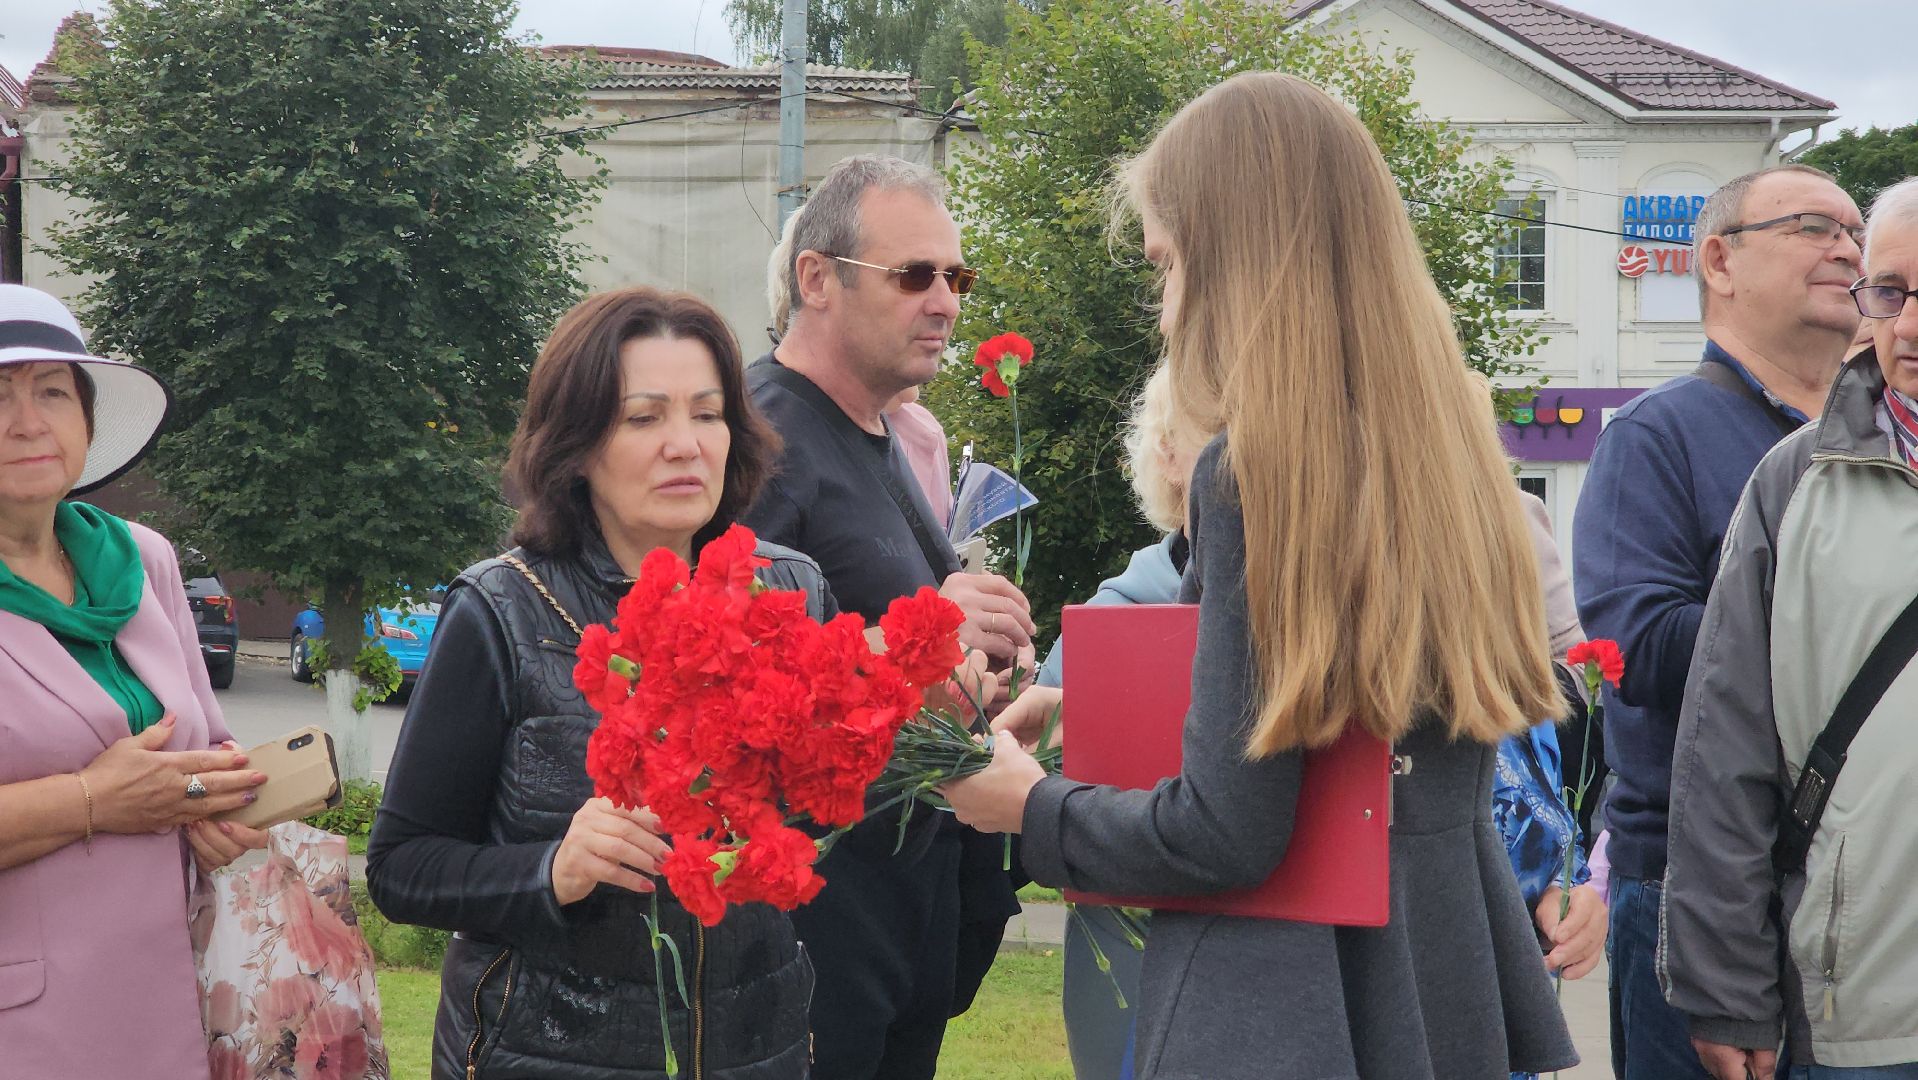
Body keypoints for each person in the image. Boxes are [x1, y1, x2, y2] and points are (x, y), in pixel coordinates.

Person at [942, 72, 1577, 1079]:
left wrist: (1030, 807)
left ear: (1234, 261)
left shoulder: (1259, 474)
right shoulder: (1452, 462)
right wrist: (1089, 717)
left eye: (1168, 266)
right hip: (1433, 977)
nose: (1165, 313)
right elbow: (1347, 727)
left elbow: (1224, 836)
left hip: (1288, 1002)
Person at [366, 287, 829, 1079]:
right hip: (543, 1052)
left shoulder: (793, 593)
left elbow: (829, 816)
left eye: (708, 413)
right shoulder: (504, 610)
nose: (685, 445)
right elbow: (401, 868)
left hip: (758, 1051)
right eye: (643, 418)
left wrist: (917, 725)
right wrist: (553, 870)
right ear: (576, 446)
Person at [742, 153, 1035, 1080]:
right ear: (816, 278)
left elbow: (898, 668)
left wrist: (982, 684)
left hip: (900, 913)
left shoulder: (878, 433)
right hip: (810, 928)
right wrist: (929, 633)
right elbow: (730, 690)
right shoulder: (758, 440)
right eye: (914, 275)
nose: (944, 303)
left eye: (956, 277)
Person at [1572, 163, 1864, 1079]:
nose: (1847, 248)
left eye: (1856, 233)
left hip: (1870, 887)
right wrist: (1843, 620)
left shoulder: (1887, 443)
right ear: (1718, 262)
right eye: (1812, 225)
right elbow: (1641, 650)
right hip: (1698, 897)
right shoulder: (1656, 436)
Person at [1663, 177, 1918, 1080]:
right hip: (1865, 1017)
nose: (1909, 325)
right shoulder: (1795, 481)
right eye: (1889, 292)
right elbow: (1724, 749)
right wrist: (1726, 987)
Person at [0, 284, 269, 1077]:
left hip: (175, 1008)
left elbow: (208, 743)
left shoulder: (143, 558)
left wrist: (222, 809)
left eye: (53, 392)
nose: (27, 422)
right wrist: (92, 800)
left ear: (86, 422)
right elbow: (120, 792)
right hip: (27, 1031)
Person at [1032, 361, 1205, 1080]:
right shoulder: (1109, 622)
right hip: (1133, 968)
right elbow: (1042, 793)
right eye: (1216, 426)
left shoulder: (1318, 615)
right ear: (1166, 452)